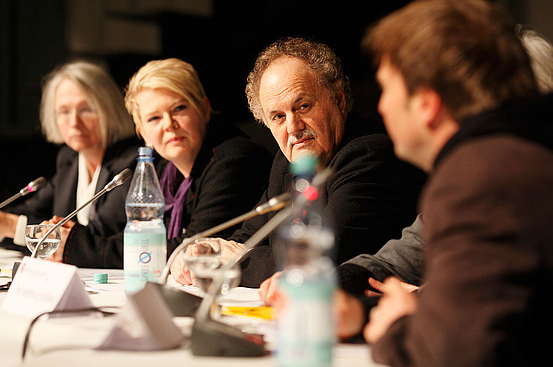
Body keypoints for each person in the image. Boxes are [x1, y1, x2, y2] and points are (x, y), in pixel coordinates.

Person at [360, 0, 553, 366]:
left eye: (387, 87)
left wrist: (398, 330)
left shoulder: (480, 176)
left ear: (426, 103)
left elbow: (457, 357)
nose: (380, 106)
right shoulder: (527, 159)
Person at [170, 37, 427, 287]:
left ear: (338, 100)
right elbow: (250, 237)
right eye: (279, 117)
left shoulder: (368, 154)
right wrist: (209, 250)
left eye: (303, 106)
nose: (293, 127)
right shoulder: (287, 161)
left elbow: (321, 256)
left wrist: (229, 263)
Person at [55, 58, 273, 268]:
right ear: (143, 133)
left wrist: (79, 247)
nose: (169, 125)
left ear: (204, 108)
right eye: (154, 118)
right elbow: (140, 235)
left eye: (179, 109)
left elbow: (191, 247)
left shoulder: (234, 160)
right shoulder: (162, 169)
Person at [0, 61, 139, 257]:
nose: (74, 122)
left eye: (86, 110)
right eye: (64, 112)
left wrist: (11, 226)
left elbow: (97, 236)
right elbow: (28, 211)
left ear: (109, 109)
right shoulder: (69, 160)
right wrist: (6, 222)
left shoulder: (131, 164)